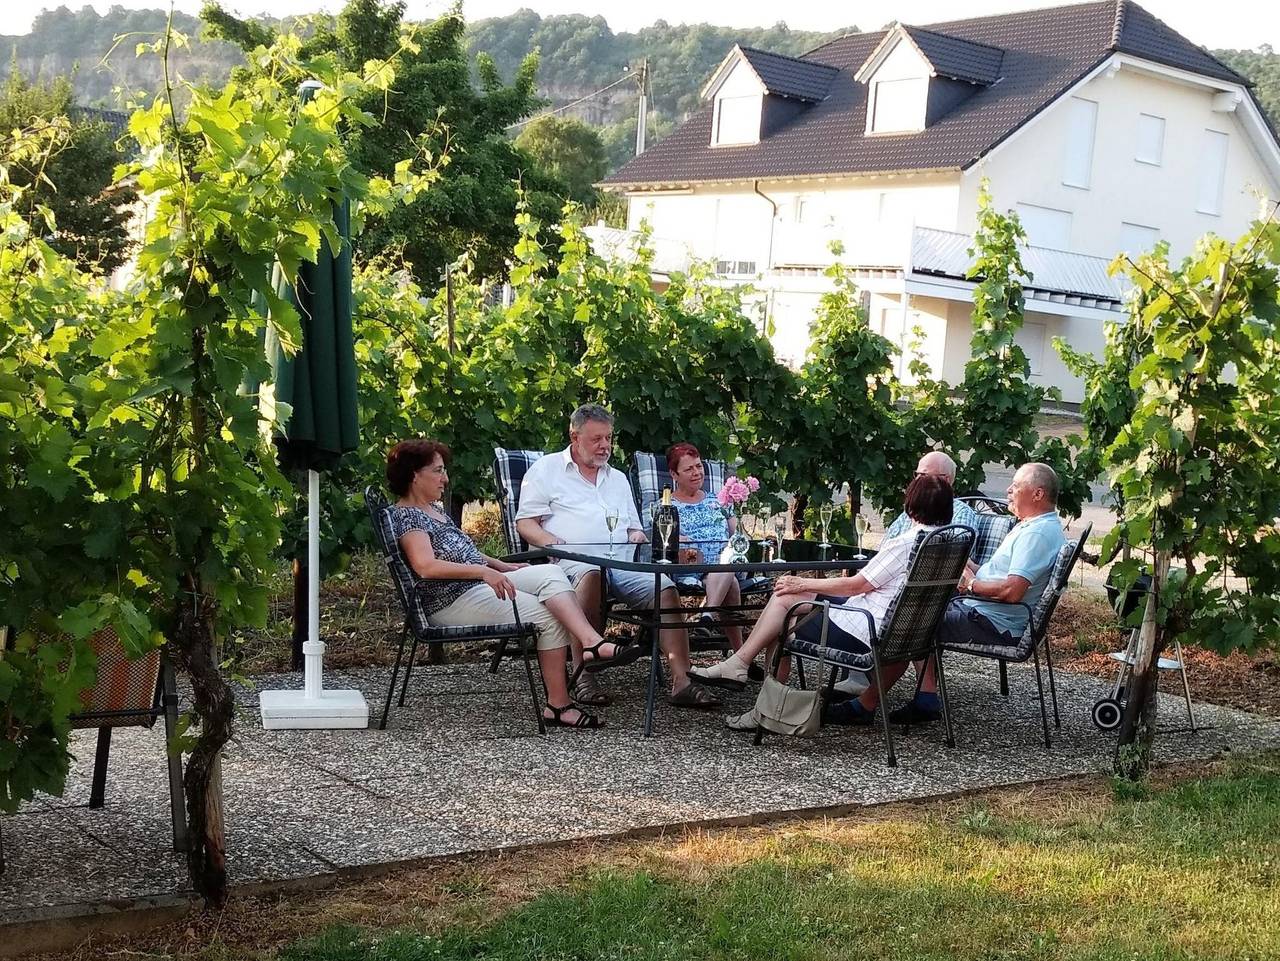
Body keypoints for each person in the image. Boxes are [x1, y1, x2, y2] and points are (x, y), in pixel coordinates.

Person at [386, 439, 642, 730]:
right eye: (438, 471)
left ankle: (592, 643)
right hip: (451, 599)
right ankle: (558, 705)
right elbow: (426, 566)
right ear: (414, 475)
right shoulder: (408, 516)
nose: (445, 478)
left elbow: (463, 550)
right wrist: (483, 573)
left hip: (475, 585)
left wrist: (500, 565)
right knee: (549, 616)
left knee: (549, 573)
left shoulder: (434, 510)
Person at [687, 474, 956, 730]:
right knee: (790, 601)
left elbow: (857, 584)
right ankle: (742, 667)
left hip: (864, 631)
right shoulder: (949, 542)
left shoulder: (907, 543)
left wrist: (804, 582)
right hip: (908, 635)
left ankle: (759, 701)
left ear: (910, 503)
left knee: (785, 610)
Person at [825, 461, 1066, 727]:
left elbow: (1011, 592)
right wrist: (966, 566)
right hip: (986, 611)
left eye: (1016, 486)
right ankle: (923, 696)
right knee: (916, 612)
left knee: (909, 622)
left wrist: (970, 585)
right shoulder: (1038, 526)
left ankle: (865, 705)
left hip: (992, 621)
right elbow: (1000, 578)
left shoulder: (1036, 534)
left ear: (1038, 494)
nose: (1008, 490)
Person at [515, 404, 721, 710]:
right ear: (575, 436)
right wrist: (549, 540)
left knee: (665, 587)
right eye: (597, 439)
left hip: (622, 563)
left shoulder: (618, 478)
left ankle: (682, 681)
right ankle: (584, 675)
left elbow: (634, 529)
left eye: (609, 438)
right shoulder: (546, 470)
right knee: (592, 576)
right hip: (570, 564)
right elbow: (525, 523)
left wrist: (639, 536)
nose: (605, 446)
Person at [831, 450, 980, 698]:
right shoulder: (908, 517)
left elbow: (955, 558)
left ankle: (773, 699)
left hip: (914, 601)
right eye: (916, 475)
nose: (915, 481)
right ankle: (874, 690)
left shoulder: (960, 515)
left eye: (923, 476)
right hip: (895, 593)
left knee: (794, 605)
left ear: (945, 480)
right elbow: (886, 553)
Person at [666, 442, 746, 654]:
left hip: (721, 566)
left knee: (726, 565)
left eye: (699, 466)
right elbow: (666, 544)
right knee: (732, 582)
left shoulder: (719, 500)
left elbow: (736, 536)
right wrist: (677, 538)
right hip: (691, 563)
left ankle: (707, 615)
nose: (696, 473)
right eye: (688, 469)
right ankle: (739, 654)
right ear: (674, 474)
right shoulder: (665, 507)